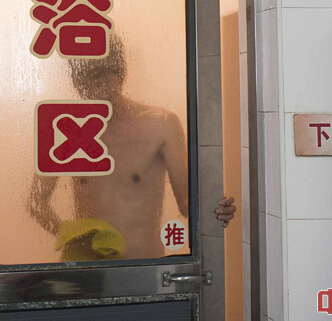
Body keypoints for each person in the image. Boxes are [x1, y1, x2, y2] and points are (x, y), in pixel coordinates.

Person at [27, 34, 235, 261]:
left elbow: (187, 202)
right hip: (87, 268)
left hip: (143, 267)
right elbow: (36, 201)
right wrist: (71, 234)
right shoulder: (65, 128)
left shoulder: (160, 124)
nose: (96, 86)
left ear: (120, 74)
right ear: (76, 82)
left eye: (104, 76)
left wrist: (214, 209)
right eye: (86, 78)